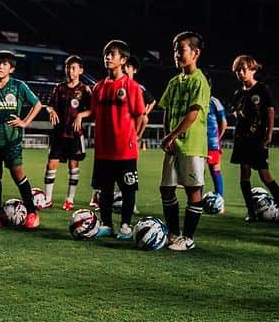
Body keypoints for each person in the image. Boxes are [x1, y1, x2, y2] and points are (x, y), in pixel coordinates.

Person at [74, 40, 147, 239]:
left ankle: (125, 225)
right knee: (104, 190)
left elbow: (141, 115)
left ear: (123, 60)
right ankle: (106, 224)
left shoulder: (132, 87)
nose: (107, 57)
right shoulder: (98, 87)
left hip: (125, 149)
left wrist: (136, 137)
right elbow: (93, 111)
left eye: (112, 54)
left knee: (128, 189)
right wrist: (81, 114)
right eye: (106, 53)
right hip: (103, 149)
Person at [0, 50, 44, 229]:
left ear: (11, 68)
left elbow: (37, 104)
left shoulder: (19, 86)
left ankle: (33, 213)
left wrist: (25, 121)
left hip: (12, 141)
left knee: (18, 175)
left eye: (4, 64)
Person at [158, 31, 211, 251]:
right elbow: (167, 109)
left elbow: (193, 114)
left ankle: (188, 238)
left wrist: (172, 135)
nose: (176, 54)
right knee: (166, 189)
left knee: (193, 190)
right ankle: (173, 233)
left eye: (181, 50)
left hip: (191, 145)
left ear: (195, 53)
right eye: (175, 50)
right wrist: (166, 135)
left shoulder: (200, 81)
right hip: (173, 145)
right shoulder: (174, 82)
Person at [231, 54, 279, 226]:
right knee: (244, 173)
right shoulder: (238, 93)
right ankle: (251, 211)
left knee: (265, 175)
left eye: (244, 70)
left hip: (258, 139)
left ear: (253, 70)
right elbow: (236, 112)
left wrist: (269, 134)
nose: (241, 73)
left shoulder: (262, 89)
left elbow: (270, 112)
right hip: (242, 139)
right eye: (238, 71)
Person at [43, 55, 92, 210]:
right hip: (59, 133)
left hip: (75, 134)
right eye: (68, 68)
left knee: (73, 166)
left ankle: (69, 200)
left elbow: (92, 110)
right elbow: (49, 105)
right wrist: (50, 110)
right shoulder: (59, 87)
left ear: (80, 70)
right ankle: (47, 199)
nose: (70, 71)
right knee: (51, 165)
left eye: (73, 68)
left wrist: (80, 115)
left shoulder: (85, 90)